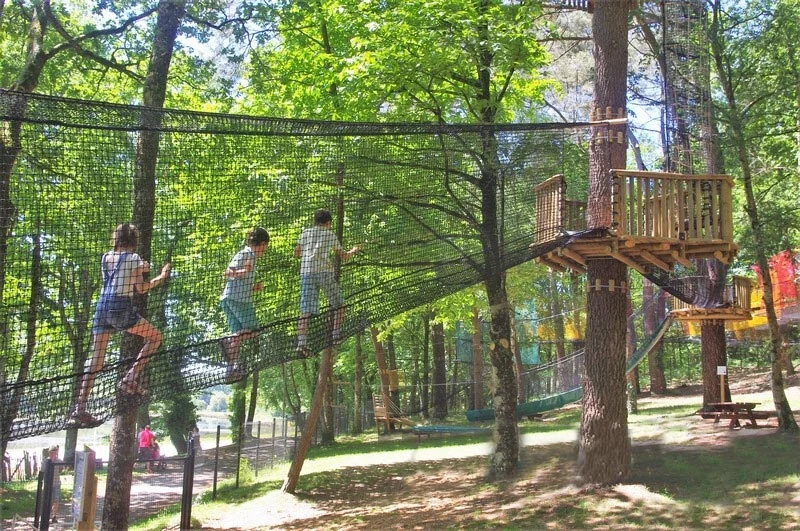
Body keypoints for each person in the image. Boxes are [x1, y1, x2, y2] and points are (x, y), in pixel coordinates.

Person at [69, 223, 171, 427]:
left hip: (101, 308)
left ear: (116, 238)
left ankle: (79, 407)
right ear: (134, 240)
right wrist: (160, 276)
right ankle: (130, 376)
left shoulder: (106, 257)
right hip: (120, 306)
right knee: (155, 337)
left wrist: (142, 268)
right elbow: (142, 289)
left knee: (96, 359)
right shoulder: (134, 259)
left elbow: (128, 280)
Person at [294, 209, 360, 356]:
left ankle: (301, 343)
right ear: (328, 223)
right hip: (324, 272)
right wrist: (354, 250)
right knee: (340, 304)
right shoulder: (329, 234)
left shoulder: (305, 233)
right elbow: (343, 256)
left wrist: (307, 251)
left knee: (305, 310)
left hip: (306, 273)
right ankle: (336, 335)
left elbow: (296, 253)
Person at [220, 227, 269, 382]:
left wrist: (254, 287)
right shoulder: (246, 254)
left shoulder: (250, 257)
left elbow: (242, 281)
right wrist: (244, 271)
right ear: (261, 244)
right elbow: (227, 273)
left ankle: (230, 371)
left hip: (231, 299)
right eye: (265, 247)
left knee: (238, 336)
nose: (264, 251)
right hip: (238, 300)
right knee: (254, 330)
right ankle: (226, 340)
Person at [47, 445, 62, 523]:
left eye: (55, 452)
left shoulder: (59, 461)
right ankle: (46, 516)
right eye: (52, 452)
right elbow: (42, 471)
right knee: (48, 500)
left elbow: (61, 469)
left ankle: (54, 516)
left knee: (56, 500)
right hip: (48, 484)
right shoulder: (46, 461)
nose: (53, 454)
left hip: (56, 483)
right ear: (49, 453)